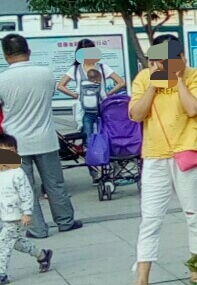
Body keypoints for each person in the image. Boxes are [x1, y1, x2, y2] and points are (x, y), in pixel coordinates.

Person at [123, 35, 197, 285]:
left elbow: (193, 108)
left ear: (181, 57)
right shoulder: (144, 78)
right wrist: (153, 83)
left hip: (188, 152)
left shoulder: (194, 76)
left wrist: (178, 79)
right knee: (150, 218)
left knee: (195, 216)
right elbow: (136, 114)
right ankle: (141, 281)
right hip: (154, 155)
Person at [0, 34, 82, 239]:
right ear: (28, 52)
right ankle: (65, 221)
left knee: (23, 188)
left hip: (13, 143)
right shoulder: (46, 73)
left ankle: (37, 229)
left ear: (6, 55)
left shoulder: (2, 79)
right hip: (45, 138)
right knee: (55, 183)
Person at [0, 134, 53, 285]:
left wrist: (27, 212)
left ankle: (1, 273)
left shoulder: (17, 173)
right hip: (4, 215)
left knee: (3, 244)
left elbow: (27, 194)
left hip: (16, 216)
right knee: (15, 241)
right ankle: (41, 255)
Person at [56, 38, 124, 132]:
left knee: (103, 135)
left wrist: (107, 94)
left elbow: (121, 82)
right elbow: (60, 86)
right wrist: (75, 95)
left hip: (100, 107)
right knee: (89, 136)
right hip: (86, 109)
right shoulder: (75, 69)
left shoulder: (102, 67)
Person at [79, 69, 104, 136]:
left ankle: (88, 141)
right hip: (98, 113)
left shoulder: (82, 86)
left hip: (87, 112)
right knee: (100, 130)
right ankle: (99, 141)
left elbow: (79, 97)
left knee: (88, 132)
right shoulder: (98, 87)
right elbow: (104, 97)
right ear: (96, 79)